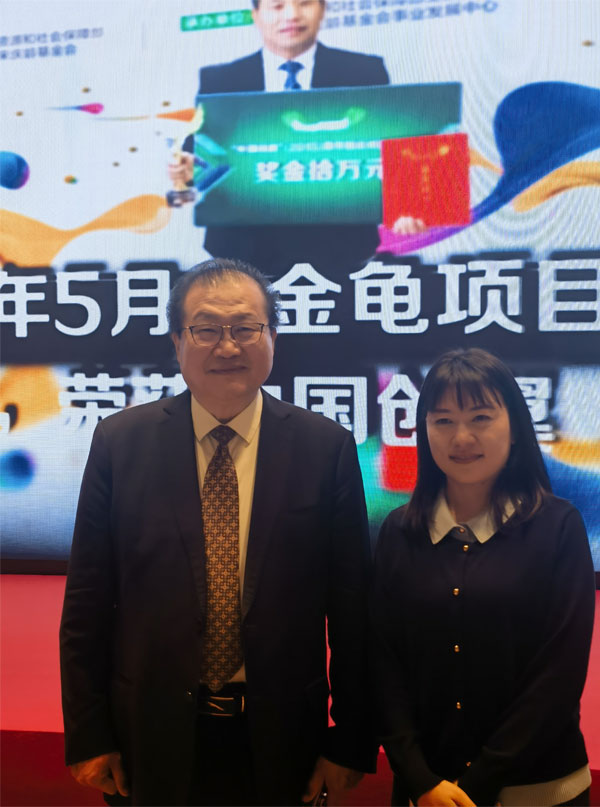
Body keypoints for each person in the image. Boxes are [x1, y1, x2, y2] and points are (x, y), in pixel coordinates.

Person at [60, 257, 375, 806]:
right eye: (206, 329)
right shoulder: (120, 443)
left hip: (283, 739)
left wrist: (349, 740)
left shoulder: (325, 448)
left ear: (272, 338)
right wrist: (89, 735)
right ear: (177, 341)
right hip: (149, 735)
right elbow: (88, 601)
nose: (227, 347)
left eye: (246, 328)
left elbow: (353, 613)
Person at [371, 348, 595, 807]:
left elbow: (558, 676)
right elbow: (383, 663)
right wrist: (419, 778)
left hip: (538, 791)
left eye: (480, 417)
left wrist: (475, 785)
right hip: (428, 793)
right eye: (443, 421)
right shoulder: (399, 531)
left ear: (515, 427)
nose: (461, 437)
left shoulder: (558, 526)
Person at [169, 0, 391, 274]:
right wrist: (185, 169)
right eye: (277, 6)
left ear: (322, 9)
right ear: (256, 16)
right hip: (242, 252)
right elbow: (201, 153)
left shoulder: (363, 71)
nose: (292, 15)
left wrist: (409, 205)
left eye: (304, 4)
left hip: (342, 248)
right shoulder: (221, 79)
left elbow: (389, 147)